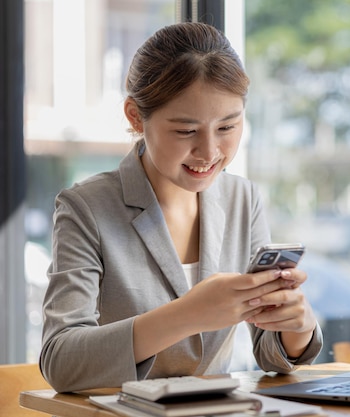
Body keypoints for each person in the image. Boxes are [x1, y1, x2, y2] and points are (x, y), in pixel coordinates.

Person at [39, 22, 322, 393]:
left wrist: (296, 326)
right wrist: (188, 314)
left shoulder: (242, 199)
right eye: (186, 131)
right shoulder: (86, 208)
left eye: (227, 127)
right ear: (135, 117)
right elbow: (61, 360)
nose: (208, 152)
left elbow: (271, 357)